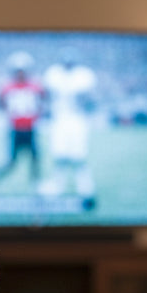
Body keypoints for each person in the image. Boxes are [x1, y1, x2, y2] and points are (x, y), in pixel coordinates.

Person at [0, 51, 46, 198]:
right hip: (16, 130)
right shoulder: (7, 87)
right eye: (18, 71)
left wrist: (37, 116)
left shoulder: (35, 85)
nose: (21, 74)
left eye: (23, 71)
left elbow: (42, 103)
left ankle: (37, 188)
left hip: (30, 129)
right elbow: (1, 104)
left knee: (36, 159)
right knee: (10, 163)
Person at [41, 47, 98, 208]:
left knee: (78, 156)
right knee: (60, 155)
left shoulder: (84, 75)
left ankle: (85, 188)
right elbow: (47, 95)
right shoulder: (53, 74)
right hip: (59, 119)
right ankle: (58, 187)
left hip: (77, 119)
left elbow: (88, 99)